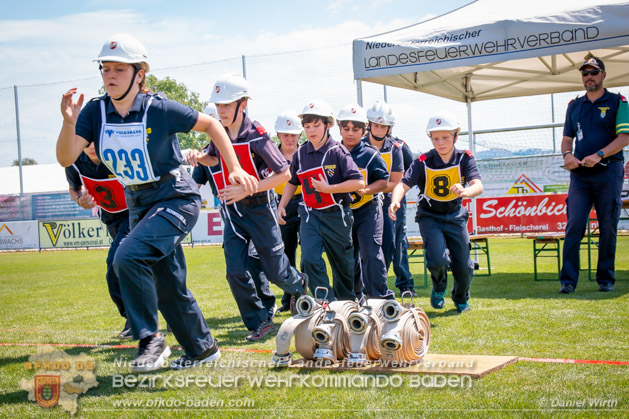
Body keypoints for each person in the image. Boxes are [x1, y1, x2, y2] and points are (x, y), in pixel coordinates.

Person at [57, 33, 257, 372]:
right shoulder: (94, 111)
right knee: (167, 284)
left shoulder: (159, 108)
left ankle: (150, 338)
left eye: (120, 69)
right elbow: (66, 158)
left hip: (175, 197)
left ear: (140, 74)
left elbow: (211, 125)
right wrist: (68, 122)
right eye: (106, 68)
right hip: (139, 203)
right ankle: (203, 350)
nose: (110, 75)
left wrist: (234, 166)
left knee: (127, 256)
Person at [189, 74, 307, 341]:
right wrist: (198, 157)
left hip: (259, 210)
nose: (221, 111)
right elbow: (212, 158)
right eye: (218, 105)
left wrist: (248, 188)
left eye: (227, 105)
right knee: (235, 272)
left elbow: (285, 174)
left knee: (277, 272)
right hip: (232, 213)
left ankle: (300, 284)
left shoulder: (257, 134)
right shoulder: (217, 129)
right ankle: (259, 322)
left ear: (243, 104)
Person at [389, 111, 483, 313]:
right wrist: (395, 200)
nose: (440, 142)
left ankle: (460, 297)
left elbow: (478, 185)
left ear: (455, 136)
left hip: (456, 217)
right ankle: (439, 287)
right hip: (430, 218)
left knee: (465, 266)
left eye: (445, 137)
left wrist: (466, 190)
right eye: (435, 138)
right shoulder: (423, 161)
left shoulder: (465, 158)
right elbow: (402, 184)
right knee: (437, 259)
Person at [278, 100, 364, 302]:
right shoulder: (300, 153)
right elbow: (292, 181)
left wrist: (329, 189)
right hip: (310, 215)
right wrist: (282, 205)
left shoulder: (338, 152)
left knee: (342, 264)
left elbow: (358, 182)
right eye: (307, 127)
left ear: (328, 125)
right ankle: (326, 301)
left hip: (337, 216)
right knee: (308, 259)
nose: (311, 130)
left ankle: (347, 304)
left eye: (316, 125)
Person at [559, 57, 629, 294]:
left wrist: (599, 154)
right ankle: (568, 281)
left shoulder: (618, 102)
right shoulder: (574, 105)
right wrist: (567, 155)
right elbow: (567, 138)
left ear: (603, 75)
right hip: (580, 174)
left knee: (608, 226)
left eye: (594, 72)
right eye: (585, 73)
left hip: (609, 171)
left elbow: (624, 138)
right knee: (574, 225)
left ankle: (606, 279)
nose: (589, 76)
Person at [65, 142, 131, 339]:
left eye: (94, 139)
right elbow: (73, 188)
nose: (91, 146)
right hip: (112, 220)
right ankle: (160, 315)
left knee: (115, 262)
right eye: (85, 141)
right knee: (146, 266)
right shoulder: (74, 161)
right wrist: (79, 200)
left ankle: (136, 319)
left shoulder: (116, 155)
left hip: (135, 214)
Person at [337, 104, 394, 300]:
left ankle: (381, 298)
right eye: (346, 129)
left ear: (364, 130)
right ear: (340, 129)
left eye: (356, 129)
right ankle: (354, 297)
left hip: (368, 210)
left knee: (371, 254)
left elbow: (384, 181)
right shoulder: (333, 153)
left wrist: (366, 190)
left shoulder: (370, 153)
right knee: (348, 257)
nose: (350, 133)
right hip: (343, 213)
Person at [364, 101, 415, 297]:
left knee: (394, 243)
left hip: (391, 202)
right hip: (365, 203)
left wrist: (375, 188)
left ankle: (403, 283)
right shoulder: (358, 145)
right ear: (368, 125)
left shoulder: (398, 147)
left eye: (383, 126)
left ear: (389, 127)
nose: (378, 129)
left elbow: (405, 178)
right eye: (375, 125)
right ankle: (366, 286)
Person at [273, 110, 304, 313]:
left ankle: (305, 296)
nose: (290, 139)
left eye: (293, 134)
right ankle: (289, 298)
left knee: (309, 251)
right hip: (280, 205)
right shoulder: (270, 154)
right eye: (285, 134)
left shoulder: (307, 152)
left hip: (305, 202)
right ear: (278, 135)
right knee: (286, 253)